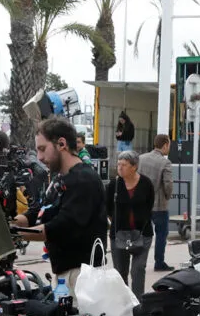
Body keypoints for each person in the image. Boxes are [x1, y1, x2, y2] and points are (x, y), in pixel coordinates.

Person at [14, 117, 108, 288]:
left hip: (82, 277)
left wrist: (13, 234)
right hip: (66, 274)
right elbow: (39, 212)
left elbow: (61, 226)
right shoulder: (61, 178)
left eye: (43, 149)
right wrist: (9, 223)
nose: (39, 157)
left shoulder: (84, 180)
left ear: (62, 144)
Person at [110, 151, 155, 296]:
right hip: (119, 235)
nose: (120, 167)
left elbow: (149, 205)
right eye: (118, 164)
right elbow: (108, 208)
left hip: (142, 233)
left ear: (134, 166)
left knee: (138, 270)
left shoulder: (146, 183)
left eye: (124, 165)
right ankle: (124, 303)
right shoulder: (114, 185)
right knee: (120, 272)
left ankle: (138, 303)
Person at [138, 134, 175, 271]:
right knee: (161, 235)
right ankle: (159, 263)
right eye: (169, 145)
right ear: (165, 145)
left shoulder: (141, 159)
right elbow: (168, 184)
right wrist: (167, 196)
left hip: (143, 205)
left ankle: (140, 262)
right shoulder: (165, 162)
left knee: (143, 234)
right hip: (159, 206)